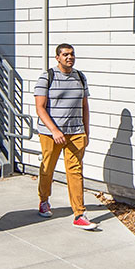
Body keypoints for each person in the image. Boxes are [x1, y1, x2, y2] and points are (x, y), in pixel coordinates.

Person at [34, 42, 98, 230]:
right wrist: (54, 130)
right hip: (50, 134)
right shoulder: (47, 77)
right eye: (65, 55)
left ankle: (79, 213)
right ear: (57, 57)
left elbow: (84, 106)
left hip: (76, 132)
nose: (69, 57)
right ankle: (44, 200)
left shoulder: (80, 77)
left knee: (75, 171)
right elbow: (40, 108)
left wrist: (86, 130)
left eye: (72, 54)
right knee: (48, 168)